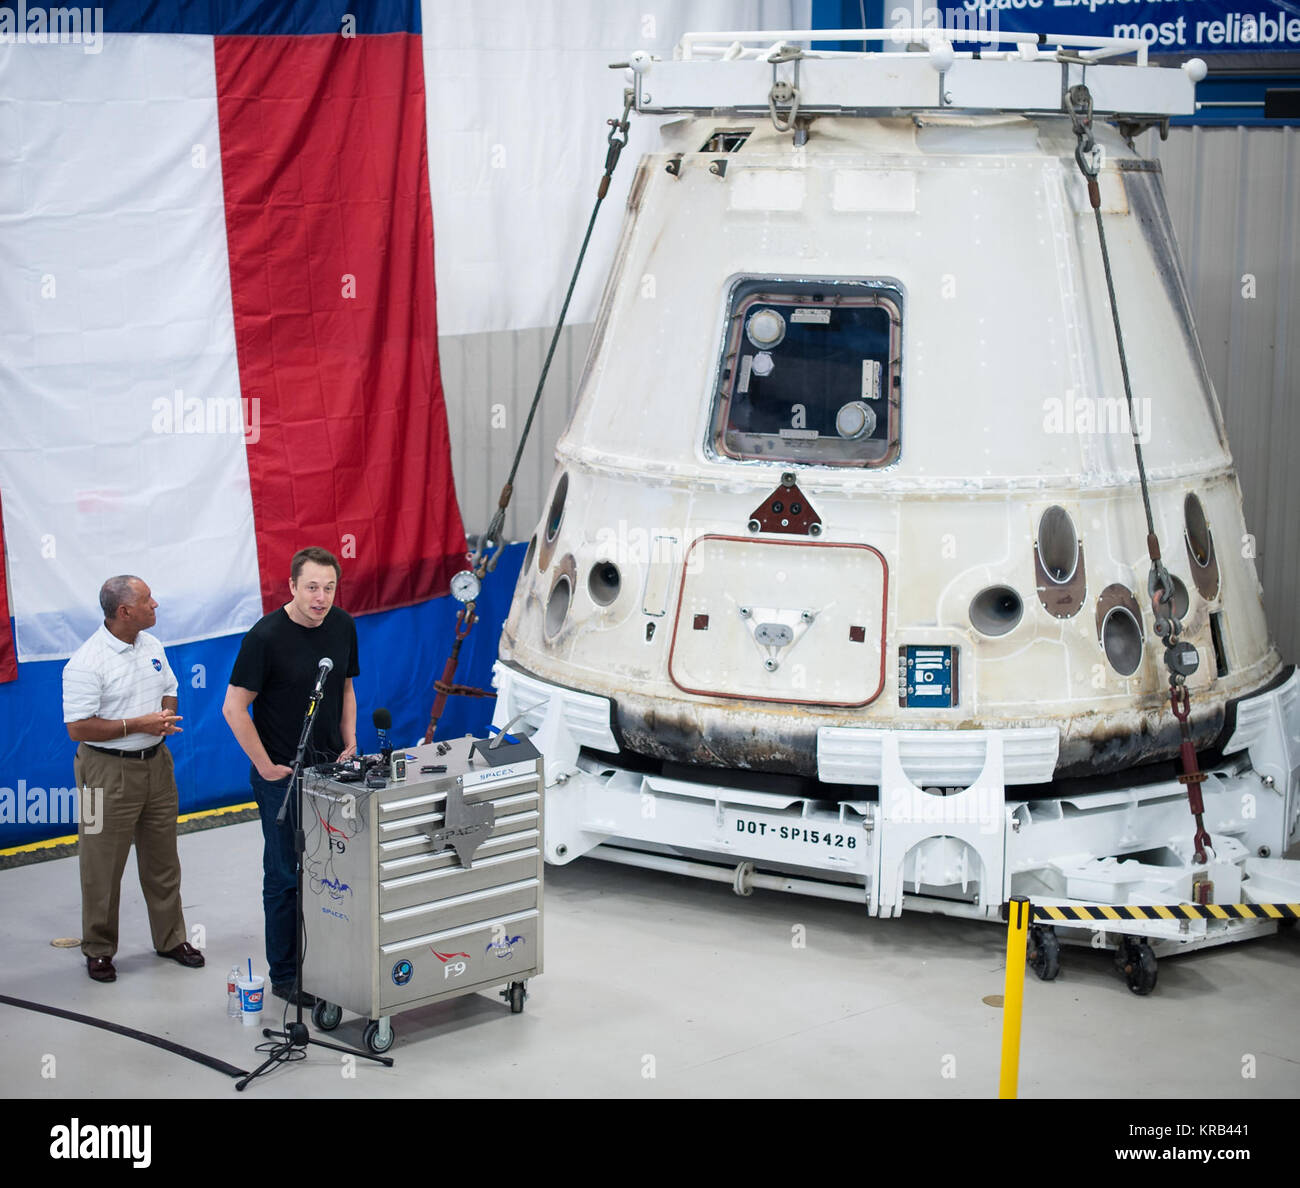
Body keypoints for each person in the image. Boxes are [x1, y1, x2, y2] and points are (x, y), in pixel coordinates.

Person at [222, 547, 358, 1006]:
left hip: (330, 772)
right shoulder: (264, 638)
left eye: (329, 588)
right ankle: (284, 974)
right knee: (285, 875)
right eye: (312, 587)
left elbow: (345, 687)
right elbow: (233, 707)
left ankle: (325, 962)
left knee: (331, 871)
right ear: (293, 587)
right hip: (281, 776)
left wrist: (348, 741)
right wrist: (264, 766)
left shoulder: (343, 626)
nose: (321, 598)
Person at [62, 576, 205, 982]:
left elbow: (171, 687)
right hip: (102, 772)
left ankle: (171, 938)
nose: (155, 604)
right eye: (147, 600)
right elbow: (79, 729)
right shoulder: (86, 663)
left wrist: (163, 717)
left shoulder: (151, 646)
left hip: (157, 766)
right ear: (124, 611)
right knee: (100, 866)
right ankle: (99, 948)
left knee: (163, 859)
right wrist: (138, 723)